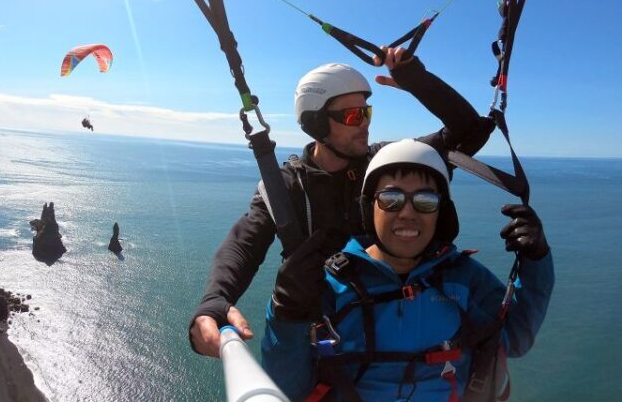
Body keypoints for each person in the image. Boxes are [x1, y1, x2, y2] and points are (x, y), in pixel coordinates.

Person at [190, 48, 495, 357]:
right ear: (318, 124)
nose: (364, 124)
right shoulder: (289, 186)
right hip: (333, 337)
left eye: (367, 112)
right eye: (352, 116)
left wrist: (416, 79)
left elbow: (470, 131)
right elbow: (244, 244)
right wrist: (215, 300)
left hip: (402, 326)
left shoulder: (386, 164)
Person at [261, 139, 554, 401]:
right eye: (391, 199)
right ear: (369, 208)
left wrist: (536, 259)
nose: (407, 212)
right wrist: (285, 312)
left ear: (441, 214)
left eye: (425, 201)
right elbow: (287, 389)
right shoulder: (330, 285)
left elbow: (516, 337)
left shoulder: (462, 278)